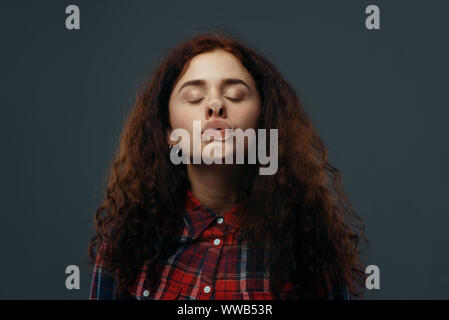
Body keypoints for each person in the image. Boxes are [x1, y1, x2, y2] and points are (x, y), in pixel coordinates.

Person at [88, 31, 367, 300]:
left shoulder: (307, 244)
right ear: (170, 135)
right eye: (195, 97)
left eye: (234, 94)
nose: (215, 105)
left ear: (263, 123)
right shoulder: (128, 244)